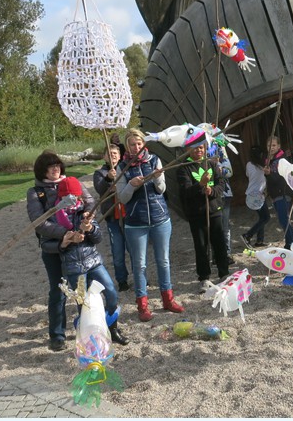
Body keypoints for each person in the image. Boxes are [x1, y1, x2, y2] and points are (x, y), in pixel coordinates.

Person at [27, 150, 95, 351]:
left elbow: (90, 202)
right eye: (50, 166)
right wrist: (65, 233)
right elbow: (39, 222)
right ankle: (57, 334)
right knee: (58, 290)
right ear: (43, 170)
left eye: (57, 165)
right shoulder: (35, 192)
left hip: (78, 245)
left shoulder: (73, 182)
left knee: (82, 288)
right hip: (54, 247)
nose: (55, 169)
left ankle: (88, 329)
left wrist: (83, 221)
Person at [117, 129, 184, 320]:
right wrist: (131, 185)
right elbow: (122, 198)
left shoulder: (154, 160)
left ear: (143, 144)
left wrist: (157, 178)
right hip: (135, 222)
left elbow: (161, 189)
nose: (136, 147)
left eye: (139, 143)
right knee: (139, 265)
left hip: (160, 218)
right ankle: (143, 306)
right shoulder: (122, 166)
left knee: (163, 261)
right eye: (132, 144)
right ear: (127, 145)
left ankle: (168, 300)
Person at [54, 177, 127, 345]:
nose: (74, 200)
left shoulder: (86, 211)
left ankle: (112, 328)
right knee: (83, 304)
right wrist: (67, 241)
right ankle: (89, 338)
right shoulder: (56, 216)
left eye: (76, 196)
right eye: (69, 197)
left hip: (93, 261)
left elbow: (98, 238)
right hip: (74, 267)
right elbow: (56, 246)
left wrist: (91, 229)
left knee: (111, 293)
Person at [177, 141, 231, 293]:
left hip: (214, 210)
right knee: (201, 246)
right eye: (194, 148)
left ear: (205, 148)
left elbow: (221, 183)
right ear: (188, 149)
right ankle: (204, 277)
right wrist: (200, 185)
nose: (198, 151)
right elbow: (186, 191)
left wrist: (212, 191)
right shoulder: (183, 168)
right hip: (197, 213)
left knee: (219, 242)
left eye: (201, 147)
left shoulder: (212, 164)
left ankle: (223, 273)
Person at [93, 143, 131, 291]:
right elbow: (100, 189)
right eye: (109, 153)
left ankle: (141, 278)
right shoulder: (100, 173)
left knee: (134, 250)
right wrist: (109, 179)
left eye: (115, 153)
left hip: (127, 215)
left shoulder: (126, 168)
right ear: (104, 157)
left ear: (120, 155)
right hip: (113, 217)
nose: (113, 156)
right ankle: (122, 280)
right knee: (117, 251)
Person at [264, 136, 293, 248]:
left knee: (284, 220)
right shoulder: (269, 160)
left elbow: (279, 178)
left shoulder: (281, 160)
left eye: (273, 145)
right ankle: (289, 243)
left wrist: (269, 174)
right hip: (275, 194)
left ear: (278, 146)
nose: (271, 148)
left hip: (283, 192)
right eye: (269, 145)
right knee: (283, 220)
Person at [242, 145, 270, 248]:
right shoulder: (263, 167)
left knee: (262, 217)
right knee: (266, 217)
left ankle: (259, 241)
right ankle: (247, 235)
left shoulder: (249, 164)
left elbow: (248, 175)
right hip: (257, 195)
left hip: (252, 194)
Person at [213, 144, 236, 265]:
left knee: (225, 226)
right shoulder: (201, 152)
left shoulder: (220, 149)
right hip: (211, 195)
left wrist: (218, 166)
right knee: (213, 226)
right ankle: (215, 254)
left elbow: (229, 172)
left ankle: (226, 253)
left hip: (224, 194)